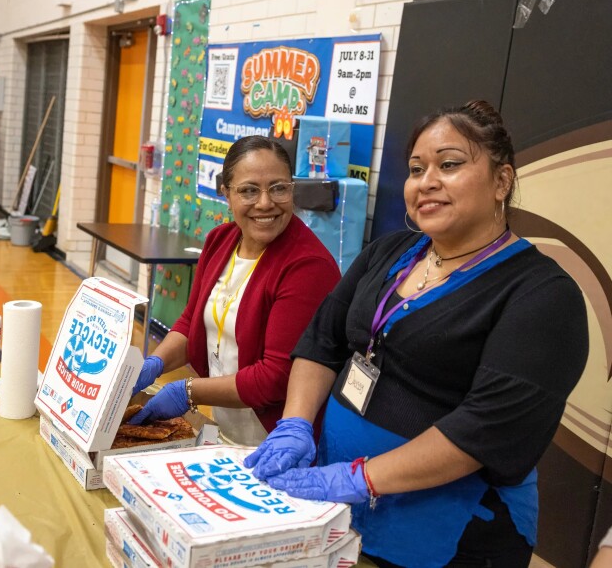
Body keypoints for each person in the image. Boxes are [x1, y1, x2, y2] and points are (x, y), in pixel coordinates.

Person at [244, 101, 589, 567]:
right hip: (336, 512)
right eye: (415, 168)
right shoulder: (391, 252)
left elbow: (483, 430)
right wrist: (296, 424)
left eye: (449, 165)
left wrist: (360, 478)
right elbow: (322, 340)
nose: (426, 181)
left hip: (451, 534)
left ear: (502, 181)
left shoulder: (541, 295)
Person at [129, 135, 341, 447]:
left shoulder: (308, 266)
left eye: (279, 188)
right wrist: (155, 364)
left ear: (292, 189)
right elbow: (191, 322)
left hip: (277, 440)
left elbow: (274, 379)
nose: (265, 202)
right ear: (226, 194)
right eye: (249, 190)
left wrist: (186, 391)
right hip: (227, 426)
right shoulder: (221, 240)